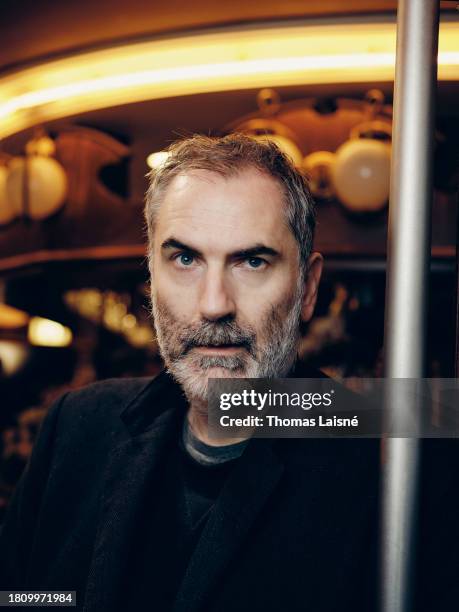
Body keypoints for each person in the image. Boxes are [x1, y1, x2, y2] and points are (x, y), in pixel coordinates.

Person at [0, 135, 456, 611]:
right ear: (152, 278)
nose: (214, 305)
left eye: (252, 261)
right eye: (185, 259)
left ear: (308, 289)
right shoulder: (77, 425)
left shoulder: (397, 470)